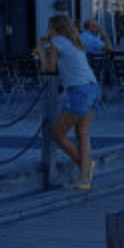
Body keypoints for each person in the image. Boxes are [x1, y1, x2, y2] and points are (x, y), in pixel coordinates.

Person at [38, 14, 101, 190]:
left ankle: (85, 167)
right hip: (93, 87)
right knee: (83, 132)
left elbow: (49, 70)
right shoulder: (76, 41)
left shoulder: (56, 43)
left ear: (54, 28)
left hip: (78, 90)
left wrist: (41, 49)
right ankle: (84, 177)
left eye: (49, 27)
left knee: (57, 133)